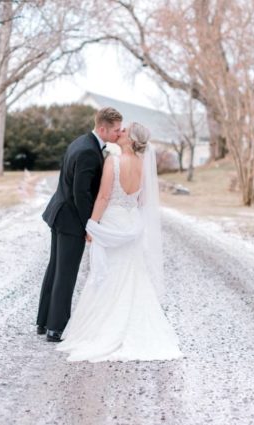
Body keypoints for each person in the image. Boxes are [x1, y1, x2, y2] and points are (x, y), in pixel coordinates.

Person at [56, 122, 183, 362]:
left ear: (131, 139)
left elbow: (104, 197)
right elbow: (142, 200)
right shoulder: (143, 166)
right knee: (132, 274)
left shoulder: (113, 162)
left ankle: (102, 330)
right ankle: (137, 327)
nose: (120, 131)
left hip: (113, 220)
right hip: (130, 222)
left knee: (106, 275)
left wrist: (91, 224)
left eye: (124, 131)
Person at [37, 107, 123, 342]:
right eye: (116, 130)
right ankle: (56, 328)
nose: (119, 133)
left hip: (60, 213)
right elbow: (81, 194)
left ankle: (44, 322)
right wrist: (90, 226)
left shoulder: (82, 142)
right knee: (65, 273)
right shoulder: (88, 151)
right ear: (103, 128)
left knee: (55, 268)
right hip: (70, 219)